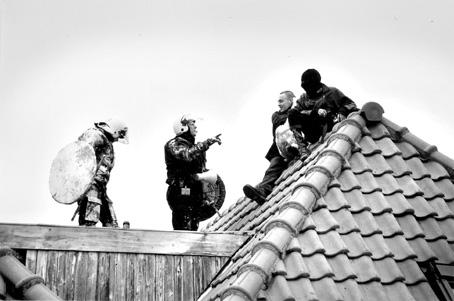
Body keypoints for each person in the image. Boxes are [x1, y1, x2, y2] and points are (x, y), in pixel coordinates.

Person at [164, 115, 222, 231]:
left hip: (194, 195)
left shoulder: (196, 147)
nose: (195, 126)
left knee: (193, 230)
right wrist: (207, 143)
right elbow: (187, 155)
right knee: (184, 232)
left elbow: (200, 172)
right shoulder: (173, 144)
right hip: (180, 194)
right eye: (192, 124)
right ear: (183, 127)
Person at [288, 68, 358, 157]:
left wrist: (342, 112)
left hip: (331, 125)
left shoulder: (332, 92)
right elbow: (297, 113)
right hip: (313, 131)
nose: (308, 89)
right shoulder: (303, 99)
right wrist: (314, 112)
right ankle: (302, 148)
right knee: (291, 113)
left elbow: (350, 104)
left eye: (310, 86)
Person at [243, 91, 296, 205]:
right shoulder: (276, 115)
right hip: (280, 149)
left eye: (281, 101)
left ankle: (261, 189)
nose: (279, 104)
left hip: (296, 145)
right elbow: (281, 124)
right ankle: (261, 191)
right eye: (278, 101)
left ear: (290, 101)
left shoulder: (297, 111)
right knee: (272, 169)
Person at [76, 118, 129, 227]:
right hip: (89, 186)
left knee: (111, 223)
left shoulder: (106, 141)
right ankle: (87, 237)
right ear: (115, 130)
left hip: (100, 187)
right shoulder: (95, 135)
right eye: (120, 133)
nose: (119, 137)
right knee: (89, 221)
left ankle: (113, 235)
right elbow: (82, 152)